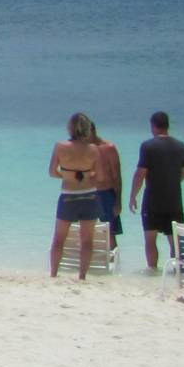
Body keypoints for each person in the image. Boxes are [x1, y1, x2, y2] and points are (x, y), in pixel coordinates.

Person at [129, 112, 184, 272]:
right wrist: (173, 181)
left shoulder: (148, 146)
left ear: (153, 126)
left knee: (150, 239)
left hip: (153, 201)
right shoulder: (181, 146)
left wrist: (133, 196)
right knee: (175, 240)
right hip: (174, 201)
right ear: (168, 125)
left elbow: (140, 173)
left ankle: (153, 270)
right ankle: (177, 272)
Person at [49, 112, 104, 279]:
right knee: (87, 240)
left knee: (59, 239)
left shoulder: (60, 146)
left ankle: (54, 274)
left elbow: (52, 172)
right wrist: (87, 176)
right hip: (89, 196)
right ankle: (82, 276)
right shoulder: (94, 149)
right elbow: (100, 177)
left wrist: (66, 176)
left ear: (70, 128)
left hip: (68, 196)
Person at [93, 123, 124, 256]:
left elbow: (116, 176)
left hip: (106, 194)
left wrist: (118, 201)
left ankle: (114, 268)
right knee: (84, 231)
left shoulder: (108, 148)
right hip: (87, 194)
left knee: (110, 234)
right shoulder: (83, 149)